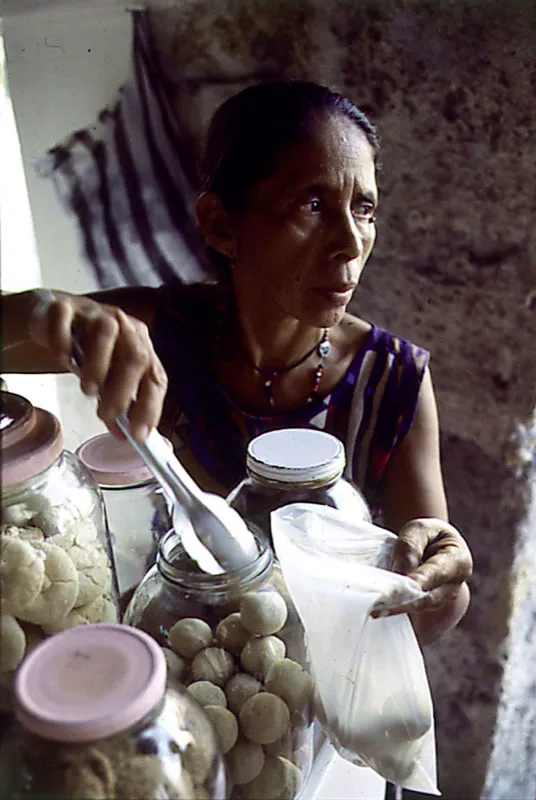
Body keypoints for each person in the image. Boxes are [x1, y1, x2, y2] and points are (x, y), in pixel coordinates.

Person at [2, 80, 471, 645]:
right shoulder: (164, 333)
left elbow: (428, 609)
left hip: (321, 677)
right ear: (222, 224)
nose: (350, 243)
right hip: (181, 645)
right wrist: (40, 310)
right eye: (314, 205)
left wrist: (444, 578)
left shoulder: (394, 382)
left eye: (364, 209)